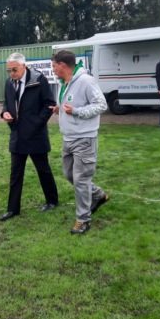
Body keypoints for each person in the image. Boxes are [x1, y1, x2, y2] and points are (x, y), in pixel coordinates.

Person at [50, 50, 110, 235]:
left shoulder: (86, 81)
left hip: (84, 139)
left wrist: (76, 111)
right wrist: (59, 109)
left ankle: (83, 220)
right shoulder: (64, 82)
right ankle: (98, 195)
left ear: (62, 65)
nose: (53, 70)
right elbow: (70, 104)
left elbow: (101, 105)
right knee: (69, 175)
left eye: (54, 66)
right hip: (68, 138)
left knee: (81, 180)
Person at [0, 53, 59, 221]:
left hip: (36, 135)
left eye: (14, 70)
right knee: (15, 173)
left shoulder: (39, 80)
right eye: (9, 70)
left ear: (24, 66)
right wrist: (5, 113)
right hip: (17, 135)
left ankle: (52, 201)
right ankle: (12, 209)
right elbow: (6, 103)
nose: (12, 73)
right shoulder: (9, 83)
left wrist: (36, 124)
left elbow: (49, 104)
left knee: (43, 169)